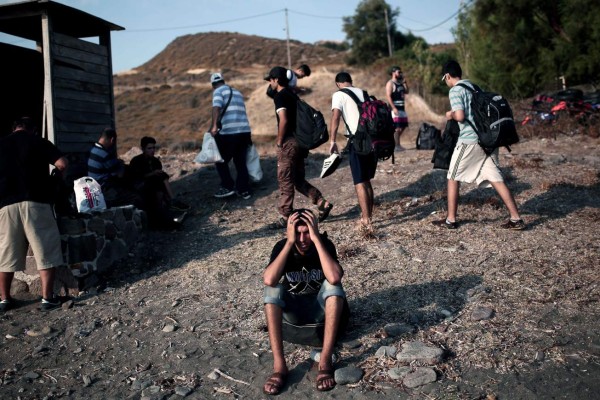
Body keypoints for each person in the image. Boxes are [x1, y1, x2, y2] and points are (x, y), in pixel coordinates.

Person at [263, 209, 347, 394]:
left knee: (334, 289)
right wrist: (289, 242)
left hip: (321, 313)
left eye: (306, 232)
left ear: (315, 229)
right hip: (295, 314)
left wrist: (317, 239)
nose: (303, 238)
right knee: (272, 290)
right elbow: (269, 280)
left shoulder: (324, 244)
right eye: (298, 233)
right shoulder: (282, 247)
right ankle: (279, 366)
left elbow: (334, 277)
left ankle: (324, 361)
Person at [434, 60, 525, 230]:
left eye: (445, 78)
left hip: (469, 142)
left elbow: (460, 116)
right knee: (496, 178)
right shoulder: (474, 87)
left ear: (447, 76)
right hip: (487, 141)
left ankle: (451, 220)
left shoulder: (456, 90)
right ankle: (516, 218)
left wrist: (450, 115)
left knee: (452, 177)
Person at [0, 117, 69, 312]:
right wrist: (56, 181)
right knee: (45, 250)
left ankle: (4, 299)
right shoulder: (38, 141)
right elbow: (62, 163)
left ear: (14, 128)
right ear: (34, 130)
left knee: (6, 254)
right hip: (36, 203)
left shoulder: (2, 144)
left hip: (6, 206)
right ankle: (48, 298)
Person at [264, 66, 333, 228]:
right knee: (297, 179)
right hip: (301, 144)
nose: (269, 83)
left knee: (285, 179)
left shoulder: (280, 97)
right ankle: (321, 202)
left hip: (288, 143)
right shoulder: (292, 95)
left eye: (271, 80)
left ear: (276, 80)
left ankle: (286, 215)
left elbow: (284, 120)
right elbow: (270, 91)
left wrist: (280, 141)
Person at [329, 72, 377, 233]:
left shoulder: (338, 95)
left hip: (357, 141)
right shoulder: (363, 92)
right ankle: (368, 216)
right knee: (366, 180)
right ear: (351, 81)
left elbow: (335, 116)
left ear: (338, 83)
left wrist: (333, 141)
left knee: (359, 181)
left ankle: (366, 220)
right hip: (372, 140)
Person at [209, 72, 253, 200]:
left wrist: (214, 126)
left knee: (220, 160)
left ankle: (227, 187)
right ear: (223, 81)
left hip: (229, 133)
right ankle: (244, 190)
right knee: (240, 162)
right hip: (244, 131)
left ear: (213, 85)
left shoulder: (217, 92)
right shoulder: (237, 92)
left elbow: (216, 108)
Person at [129, 136, 187, 230]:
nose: (152, 150)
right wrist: (152, 173)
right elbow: (136, 177)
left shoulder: (155, 161)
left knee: (161, 182)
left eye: (153, 148)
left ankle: (171, 202)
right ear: (143, 149)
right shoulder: (136, 161)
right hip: (141, 187)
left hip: (154, 186)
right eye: (149, 148)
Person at [87, 128, 141, 208]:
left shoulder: (94, 150)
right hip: (104, 188)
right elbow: (120, 175)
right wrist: (121, 163)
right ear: (112, 140)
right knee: (136, 198)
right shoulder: (104, 154)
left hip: (94, 185)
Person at [385, 65, 409, 151]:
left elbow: (407, 91)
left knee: (403, 125)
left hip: (402, 107)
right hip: (395, 108)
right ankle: (396, 145)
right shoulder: (390, 83)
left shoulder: (400, 83)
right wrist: (393, 107)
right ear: (393, 73)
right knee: (397, 128)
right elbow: (388, 96)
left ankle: (397, 143)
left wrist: (405, 83)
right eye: (398, 72)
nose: (400, 73)